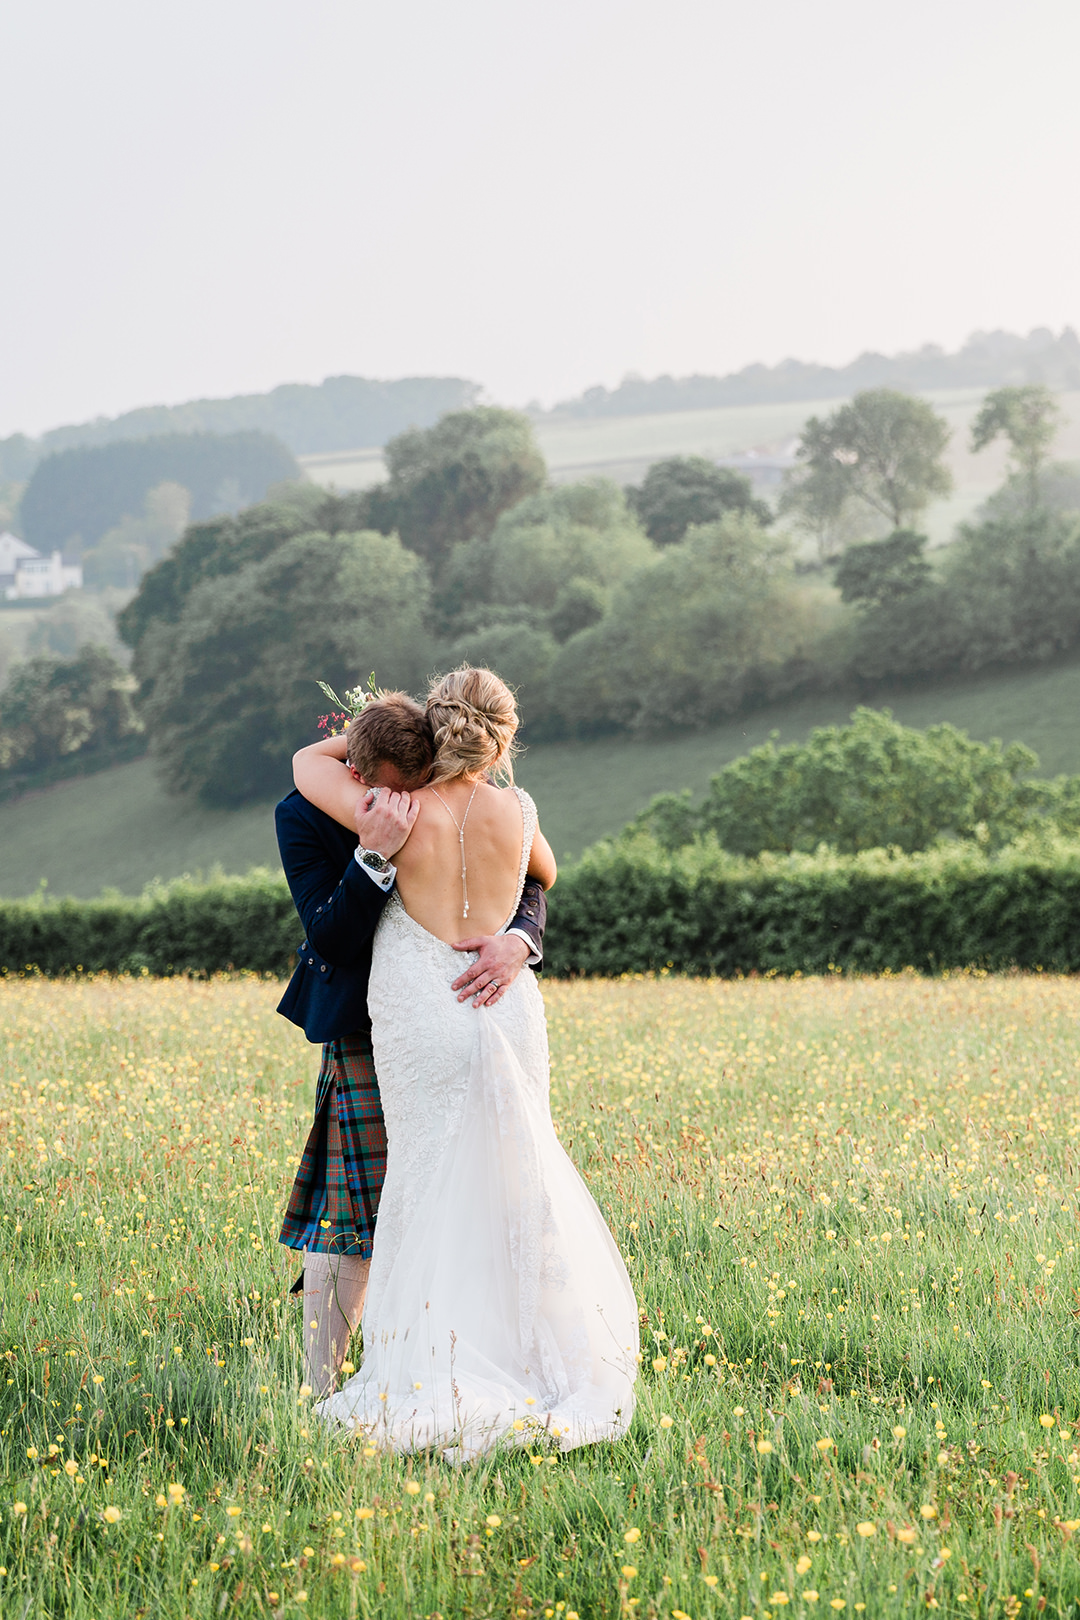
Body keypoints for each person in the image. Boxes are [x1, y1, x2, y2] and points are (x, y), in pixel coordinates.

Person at [292, 667, 638, 1458]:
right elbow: (542, 871)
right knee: (514, 1178)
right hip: (507, 1005)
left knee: (425, 1176)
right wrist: (516, 936)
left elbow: (304, 766)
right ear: (505, 737)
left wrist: (378, 726)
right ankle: (538, 1364)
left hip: (426, 1005)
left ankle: (430, 1360)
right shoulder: (519, 811)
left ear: (435, 721)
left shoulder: (396, 811)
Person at [275, 690, 547, 1396]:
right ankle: (322, 1387)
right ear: (361, 774)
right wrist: (372, 855)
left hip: (467, 1009)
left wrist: (520, 941)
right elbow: (329, 938)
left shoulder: (447, 787)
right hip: (370, 1028)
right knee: (354, 1207)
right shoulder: (305, 814)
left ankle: (465, 1361)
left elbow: (532, 876)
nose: (413, 797)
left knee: (483, 1192)